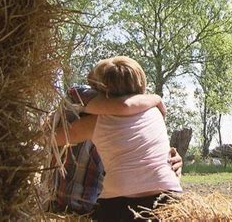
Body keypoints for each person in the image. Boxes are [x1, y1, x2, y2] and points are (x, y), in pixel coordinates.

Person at [55, 56, 182, 221]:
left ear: (100, 92)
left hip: (121, 204)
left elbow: (56, 137)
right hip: (168, 198)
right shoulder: (156, 111)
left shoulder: (98, 121)